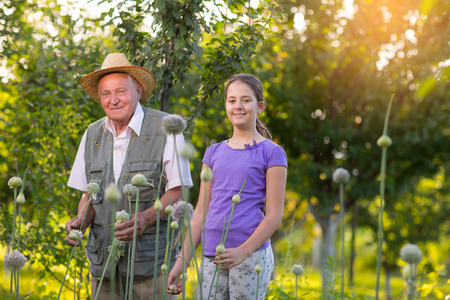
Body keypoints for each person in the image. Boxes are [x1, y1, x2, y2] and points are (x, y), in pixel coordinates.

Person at [65, 53, 193, 299]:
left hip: (152, 264)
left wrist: (145, 218)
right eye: (106, 94)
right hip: (104, 265)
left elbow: (179, 191)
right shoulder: (92, 133)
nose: (113, 100)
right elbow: (88, 195)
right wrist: (81, 220)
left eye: (120, 92)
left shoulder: (166, 127)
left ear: (138, 89)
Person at [167, 74, 287, 299]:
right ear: (226, 105)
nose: (238, 106)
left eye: (246, 100)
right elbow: (201, 212)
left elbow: (274, 215)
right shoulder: (213, 153)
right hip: (211, 254)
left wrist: (244, 250)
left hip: (251, 256)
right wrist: (182, 261)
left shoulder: (273, 153)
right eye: (232, 100)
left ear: (260, 106)